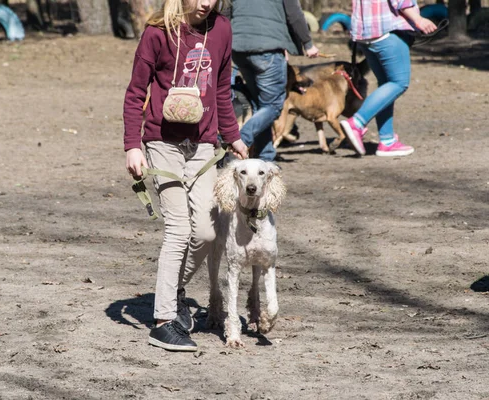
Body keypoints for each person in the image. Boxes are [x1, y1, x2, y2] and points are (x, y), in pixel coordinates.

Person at [123, 0, 248, 352]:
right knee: (178, 228)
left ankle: (174, 290)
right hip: (163, 142)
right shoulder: (157, 32)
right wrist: (133, 145)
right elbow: (136, 93)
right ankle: (163, 321)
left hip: (204, 144)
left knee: (208, 233)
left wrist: (233, 135)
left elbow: (222, 89)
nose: (206, 2)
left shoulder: (221, 28)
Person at [340, 0, 437, 157]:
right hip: (387, 31)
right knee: (399, 83)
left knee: (386, 85)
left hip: (365, 34)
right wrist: (418, 19)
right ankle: (356, 123)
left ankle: (387, 140)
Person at [229, 0, 319, 161]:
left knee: (261, 106)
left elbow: (226, 11)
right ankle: (240, 140)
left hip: (239, 48)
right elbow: (294, 14)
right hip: (267, 49)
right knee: (273, 106)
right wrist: (308, 43)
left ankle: (265, 157)